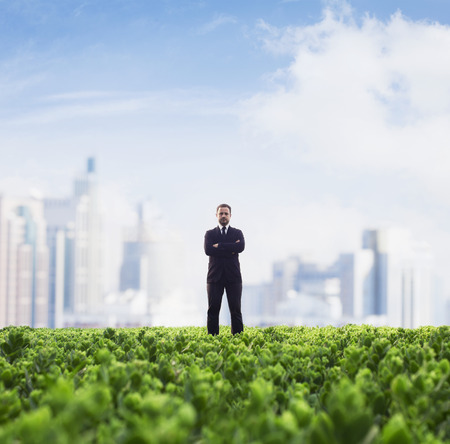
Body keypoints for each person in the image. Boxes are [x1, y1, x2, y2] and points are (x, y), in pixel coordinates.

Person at [204, 204, 245, 335]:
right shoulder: (210, 234)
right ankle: (212, 340)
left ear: (230, 216)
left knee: (236, 311)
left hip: (233, 278)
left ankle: (238, 340)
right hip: (214, 278)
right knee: (213, 311)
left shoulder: (237, 233)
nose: (223, 216)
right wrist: (231, 248)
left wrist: (220, 246)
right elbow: (208, 250)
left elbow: (241, 247)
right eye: (221, 213)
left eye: (226, 214)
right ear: (216, 215)